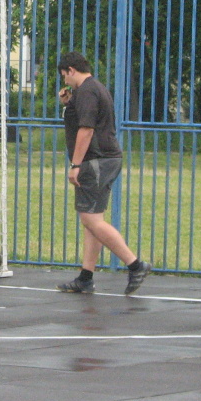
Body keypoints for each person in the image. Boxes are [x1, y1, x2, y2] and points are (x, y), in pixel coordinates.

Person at [55, 52, 152, 295]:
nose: (65, 81)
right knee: (92, 220)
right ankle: (86, 277)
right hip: (105, 159)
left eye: (64, 75)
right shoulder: (91, 89)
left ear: (71, 70)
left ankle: (135, 265)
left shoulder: (87, 91)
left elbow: (86, 130)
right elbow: (85, 119)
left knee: (91, 220)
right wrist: (68, 104)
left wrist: (75, 165)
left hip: (96, 161)